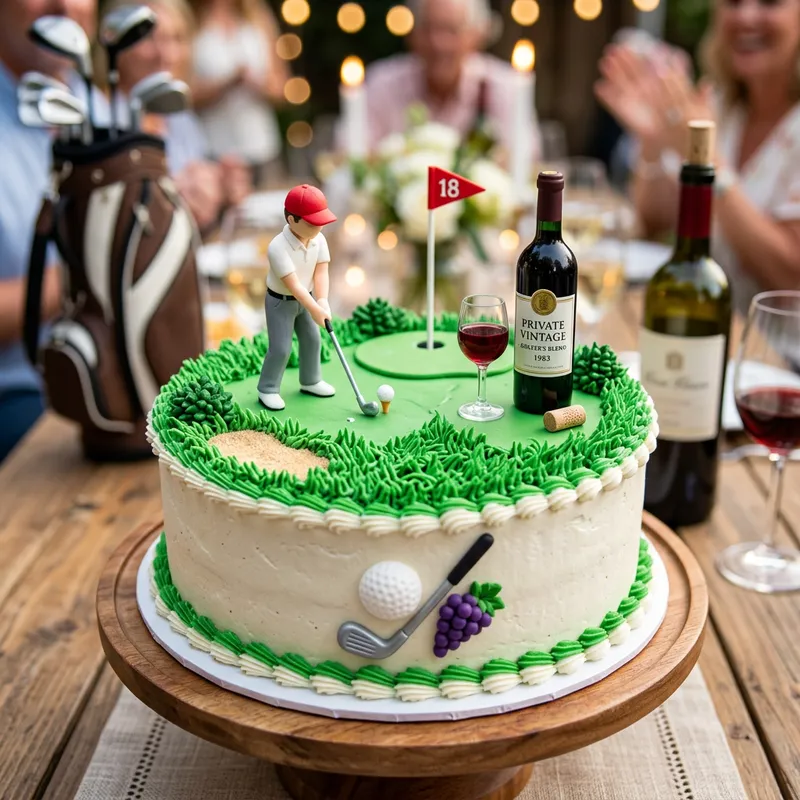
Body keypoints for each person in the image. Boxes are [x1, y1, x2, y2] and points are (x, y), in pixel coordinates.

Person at [595, 0, 800, 315]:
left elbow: (791, 274)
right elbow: (654, 221)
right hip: (707, 324)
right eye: (733, 2)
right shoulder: (723, 108)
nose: (746, 16)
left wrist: (709, 164)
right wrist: (653, 141)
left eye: (769, 2)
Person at [0, 0, 97, 462]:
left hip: (110, 367)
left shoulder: (92, 100)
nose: (63, 5)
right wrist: (84, 273)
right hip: (20, 394)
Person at [100, 0, 251, 231]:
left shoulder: (178, 116)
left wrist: (221, 189)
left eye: (177, 39)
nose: (166, 54)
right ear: (114, 43)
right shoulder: (99, 120)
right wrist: (169, 197)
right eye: (148, 38)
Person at [363, 0, 540, 160]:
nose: (438, 43)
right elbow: (355, 155)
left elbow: (526, 161)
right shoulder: (381, 83)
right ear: (412, 34)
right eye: (427, 29)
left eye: (451, 30)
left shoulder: (505, 87)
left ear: (477, 34)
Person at [257, 185, 337, 412]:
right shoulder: (277, 247)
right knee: (281, 348)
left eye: (321, 222)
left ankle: (311, 381)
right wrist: (315, 309)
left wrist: (322, 300)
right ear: (292, 220)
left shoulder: (319, 239)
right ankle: (267, 388)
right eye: (312, 223)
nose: (318, 227)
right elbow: (293, 285)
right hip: (280, 303)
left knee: (312, 339)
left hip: (307, 299)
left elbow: (321, 272)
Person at [189, 0, 287, 184]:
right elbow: (185, 94)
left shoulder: (258, 17)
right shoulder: (192, 20)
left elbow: (281, 88)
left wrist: (256, 84)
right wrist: (226, 84)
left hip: (261, 148)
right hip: (211, 152)